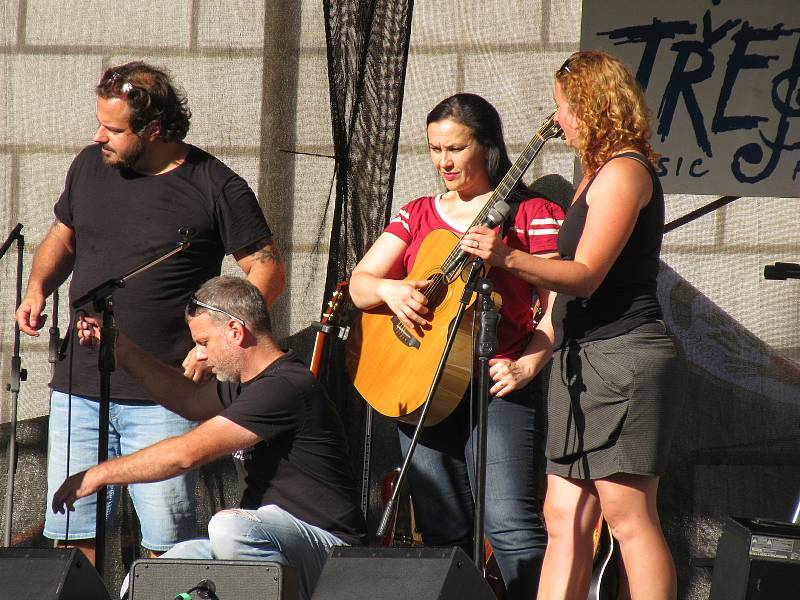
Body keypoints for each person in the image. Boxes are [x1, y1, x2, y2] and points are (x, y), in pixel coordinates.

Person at [15, 61, 286, 564]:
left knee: (167, 543)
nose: (100, 136)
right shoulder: (89, 166)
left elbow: (267, 269)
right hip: (80, 385)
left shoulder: (216, 184)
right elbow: (61, 238)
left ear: (154, 129)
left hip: (167, 392)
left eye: (114, 128)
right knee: (74, 534)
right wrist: (37, 287)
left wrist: (218, 346)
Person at [459, 51, 688, 600]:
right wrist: (536, 352)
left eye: (562, 107)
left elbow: (584, 276)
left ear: (590, 106)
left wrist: (507, 257)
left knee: (627, 512)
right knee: (564, 514)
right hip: (579, 360)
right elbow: (567, 302)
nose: (556, 119)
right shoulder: (593, 174)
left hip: (625, 358)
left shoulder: (626, 170)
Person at [348, 92, 565, 598]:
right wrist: (391, 290)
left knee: (510, 524)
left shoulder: (533, 212)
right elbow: (360, 284)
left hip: (498, 386)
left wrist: (531, 363)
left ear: (487, 148)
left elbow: (560, 306)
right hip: (420, 385)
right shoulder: (419, 212)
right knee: (442, 528)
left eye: (456, 148)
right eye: (434, 149)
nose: (443, 161)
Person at [53, 276, 365, 600]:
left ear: (235, 331)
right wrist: (120, 346)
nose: (199, 355)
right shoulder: (246, 385)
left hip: (330, 553)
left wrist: (97, 474)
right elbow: (189, 400)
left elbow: (183, 455)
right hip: (270, 544)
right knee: (148, 578)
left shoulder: (283, 387)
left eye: (203, 341)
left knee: (230, 528)